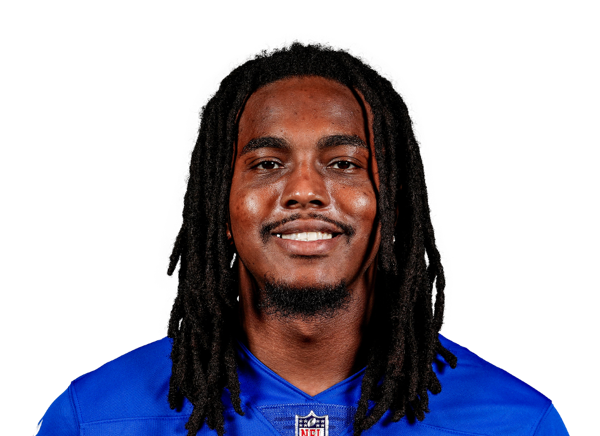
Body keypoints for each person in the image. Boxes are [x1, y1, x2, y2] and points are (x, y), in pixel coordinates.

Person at [34, 41, 568, 436]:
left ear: (391, 203)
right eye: (268, 163)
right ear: (221, 206)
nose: (305, 191)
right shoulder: (93, 418)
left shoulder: (519, 423)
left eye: (344, 163)